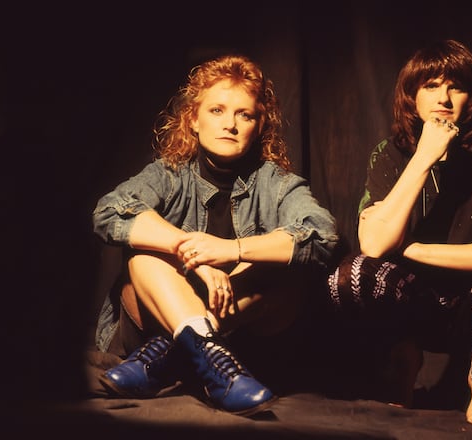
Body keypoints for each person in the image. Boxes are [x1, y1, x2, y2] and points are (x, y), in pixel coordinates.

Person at [92, 53, 338, 416]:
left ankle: (171, 353)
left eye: (245, 114)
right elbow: (109, 210)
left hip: (237, 336)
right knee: (146, 255)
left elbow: (322, 236)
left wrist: (233, 250)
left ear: (259, 126)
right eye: (217, 110)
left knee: (286, 272)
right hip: (147, 323)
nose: (231, 125)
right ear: (193, 120)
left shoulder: (277, 184)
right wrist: (190, 253)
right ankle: (205, 353)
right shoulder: (169, 173)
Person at [326, 39, 472, 426]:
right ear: (411, 95)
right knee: (348, 277)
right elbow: (374, 245)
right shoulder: (390, 153)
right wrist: (425, 156)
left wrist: (412, 248)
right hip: (414, 301)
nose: (443, 97)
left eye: (455, 87)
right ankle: (404, 360)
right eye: (431, 85)